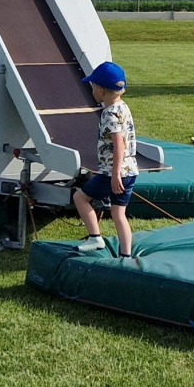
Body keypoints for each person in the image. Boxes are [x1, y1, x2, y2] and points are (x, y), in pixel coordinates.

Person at [73, 61, 138, 259]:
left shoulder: (109, 114)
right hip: (131, 171)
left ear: (100, 90)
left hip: (113, 172)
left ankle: (95, 237)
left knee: (80, 198)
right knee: (119, 214)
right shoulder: (122, 107)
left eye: (92, 87)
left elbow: (118, 144)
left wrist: (115, 174)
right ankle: (126, 255)